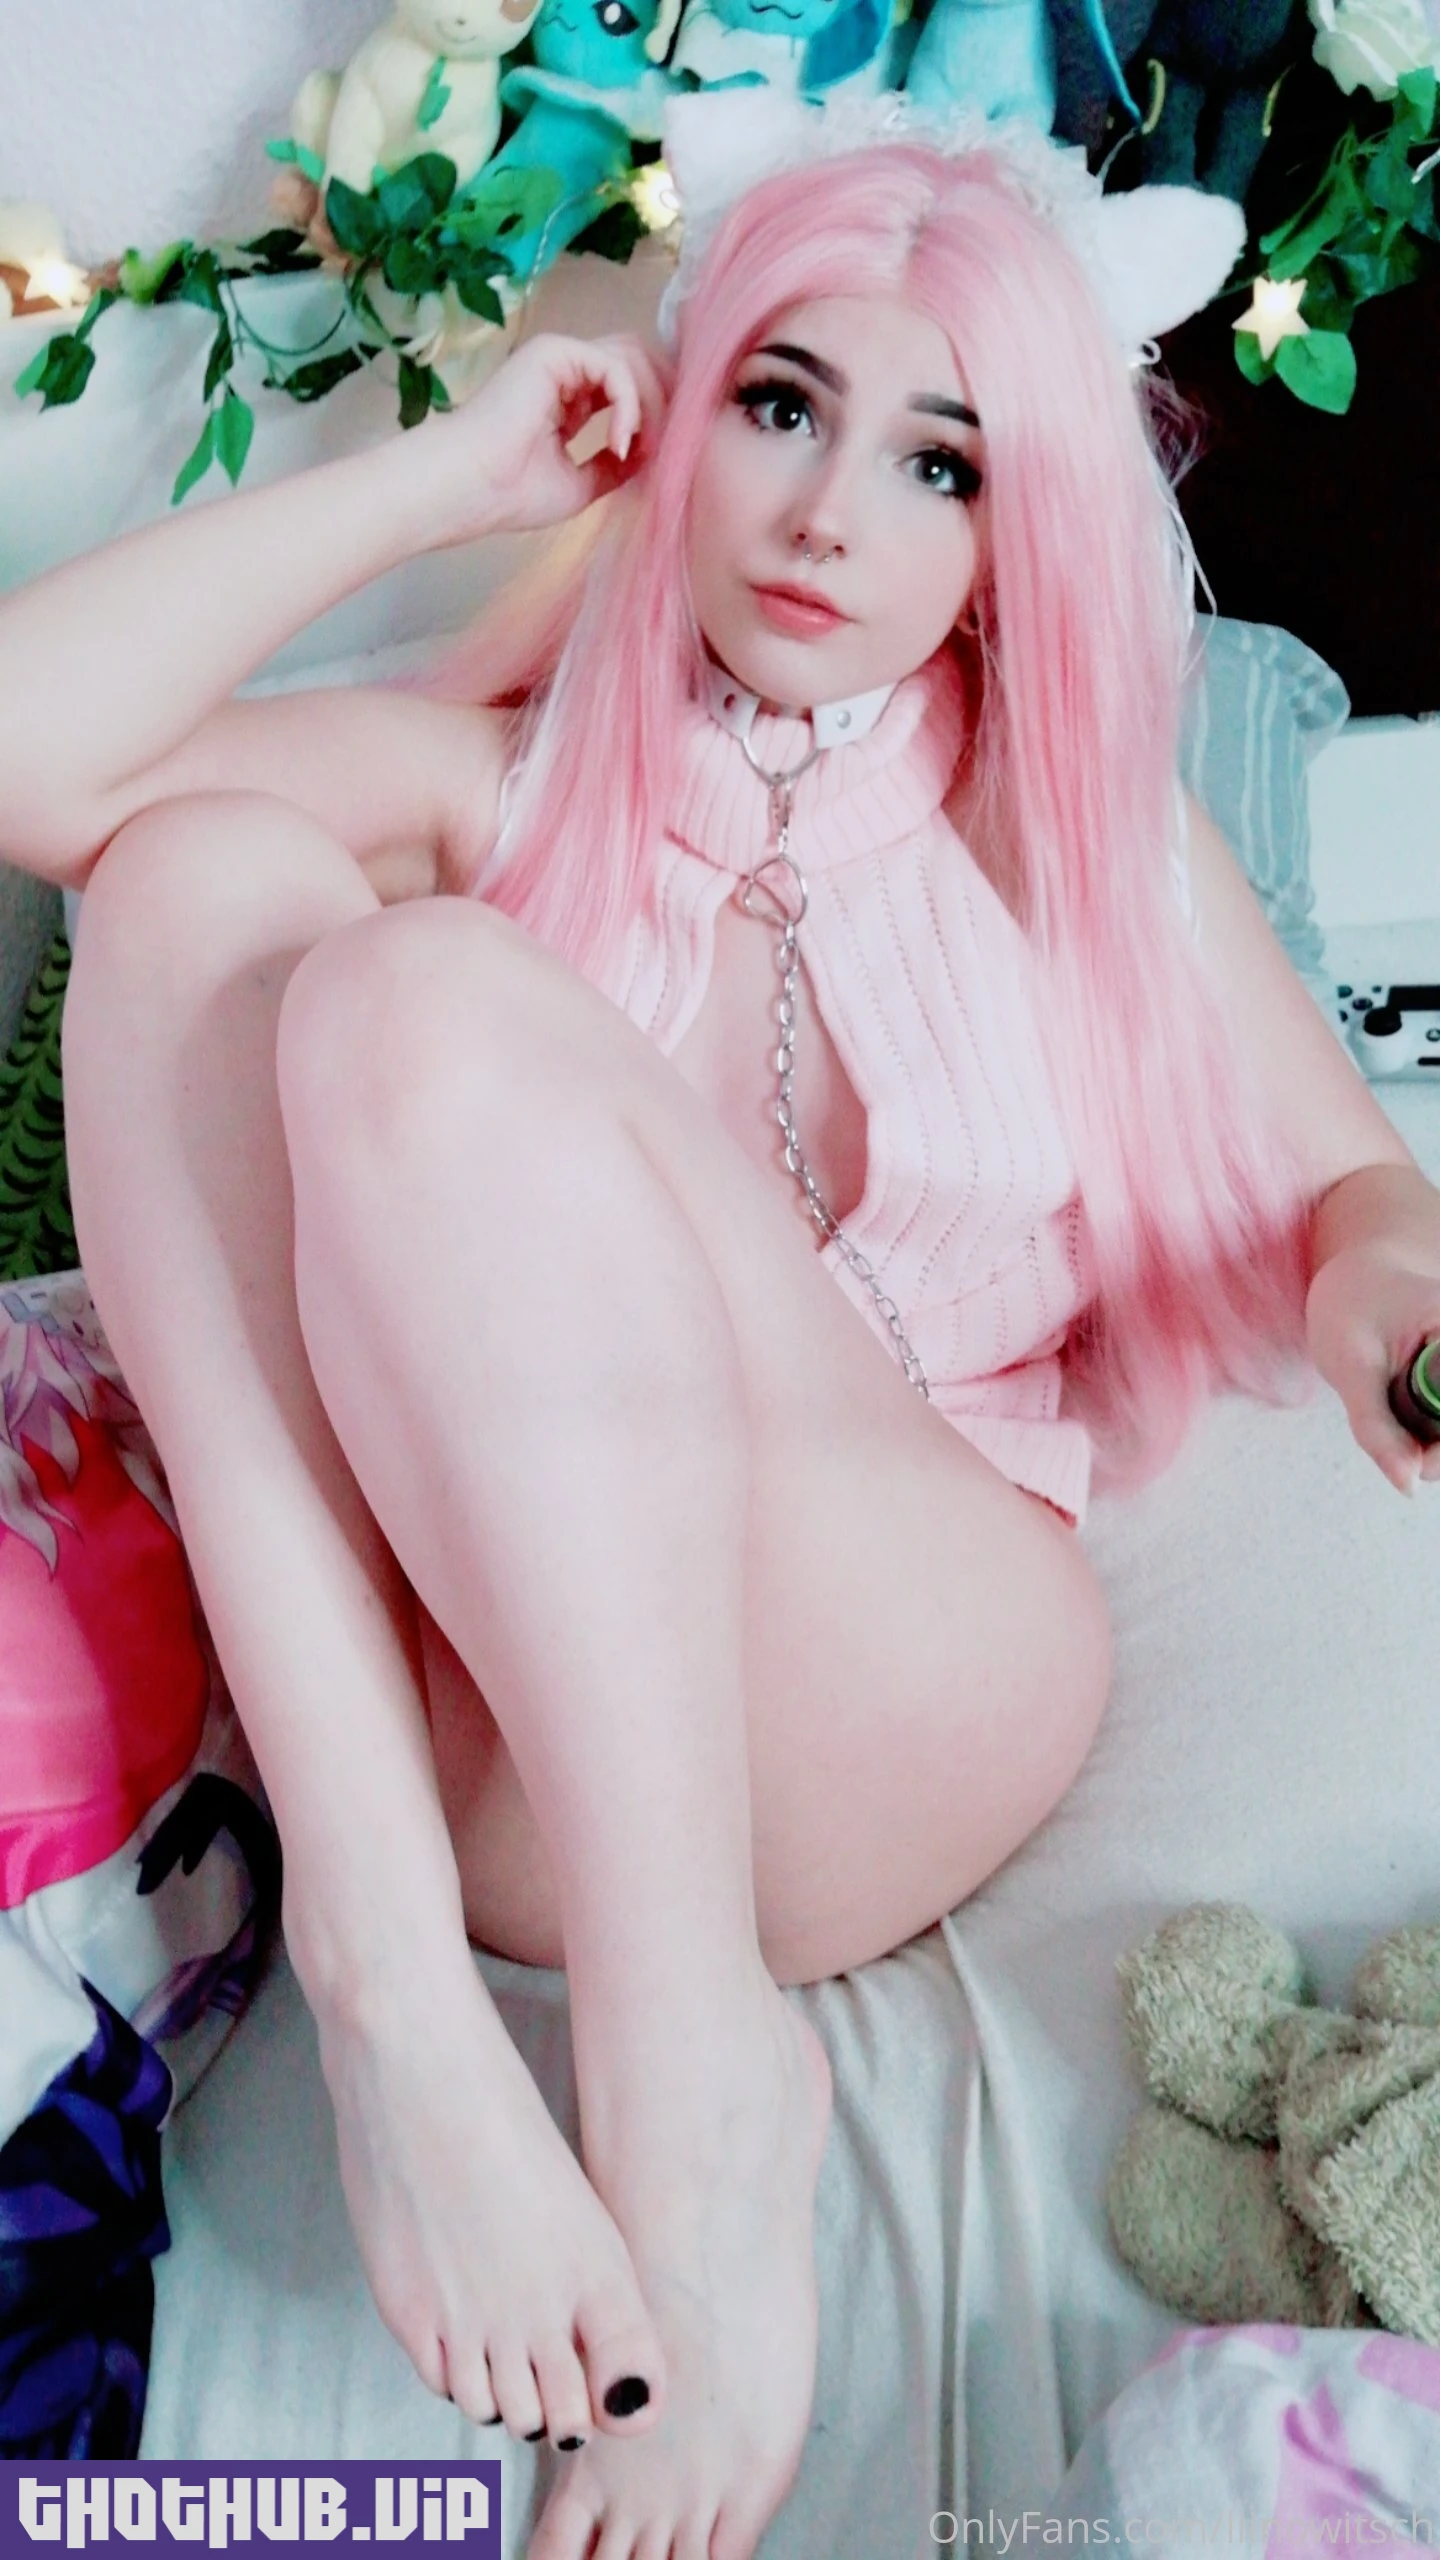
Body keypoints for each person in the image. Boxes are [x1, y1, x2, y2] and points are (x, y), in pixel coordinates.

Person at [2, 118, 1438, 2560]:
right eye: (781, 404)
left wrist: (1399, 1296)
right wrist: (453, 474)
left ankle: (699, 2096)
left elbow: (1352, 1189)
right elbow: (39, 764)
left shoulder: (1070, 829)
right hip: (505, 1763)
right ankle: (388, 1983)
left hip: (893, 1684)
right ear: (680, 424)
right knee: (192, 883)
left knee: (418, 987)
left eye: (937, 461)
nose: (830, 514)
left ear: (1010, 536)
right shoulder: (506, 783)